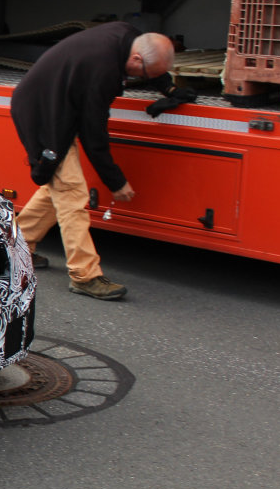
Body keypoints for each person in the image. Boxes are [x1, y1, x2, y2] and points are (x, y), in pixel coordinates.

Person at [11, 23, 175, 301]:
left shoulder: (130, 37)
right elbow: (93, 133)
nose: (144, 80)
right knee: (72, 193)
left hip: (57, 105)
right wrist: (116, 181)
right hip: (44, 117)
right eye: (147, 76)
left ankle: (16, 246)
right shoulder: (104, 70)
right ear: (136, 59)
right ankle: (84, 276)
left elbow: (151, 66)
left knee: (58, 190)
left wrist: (170, 88)